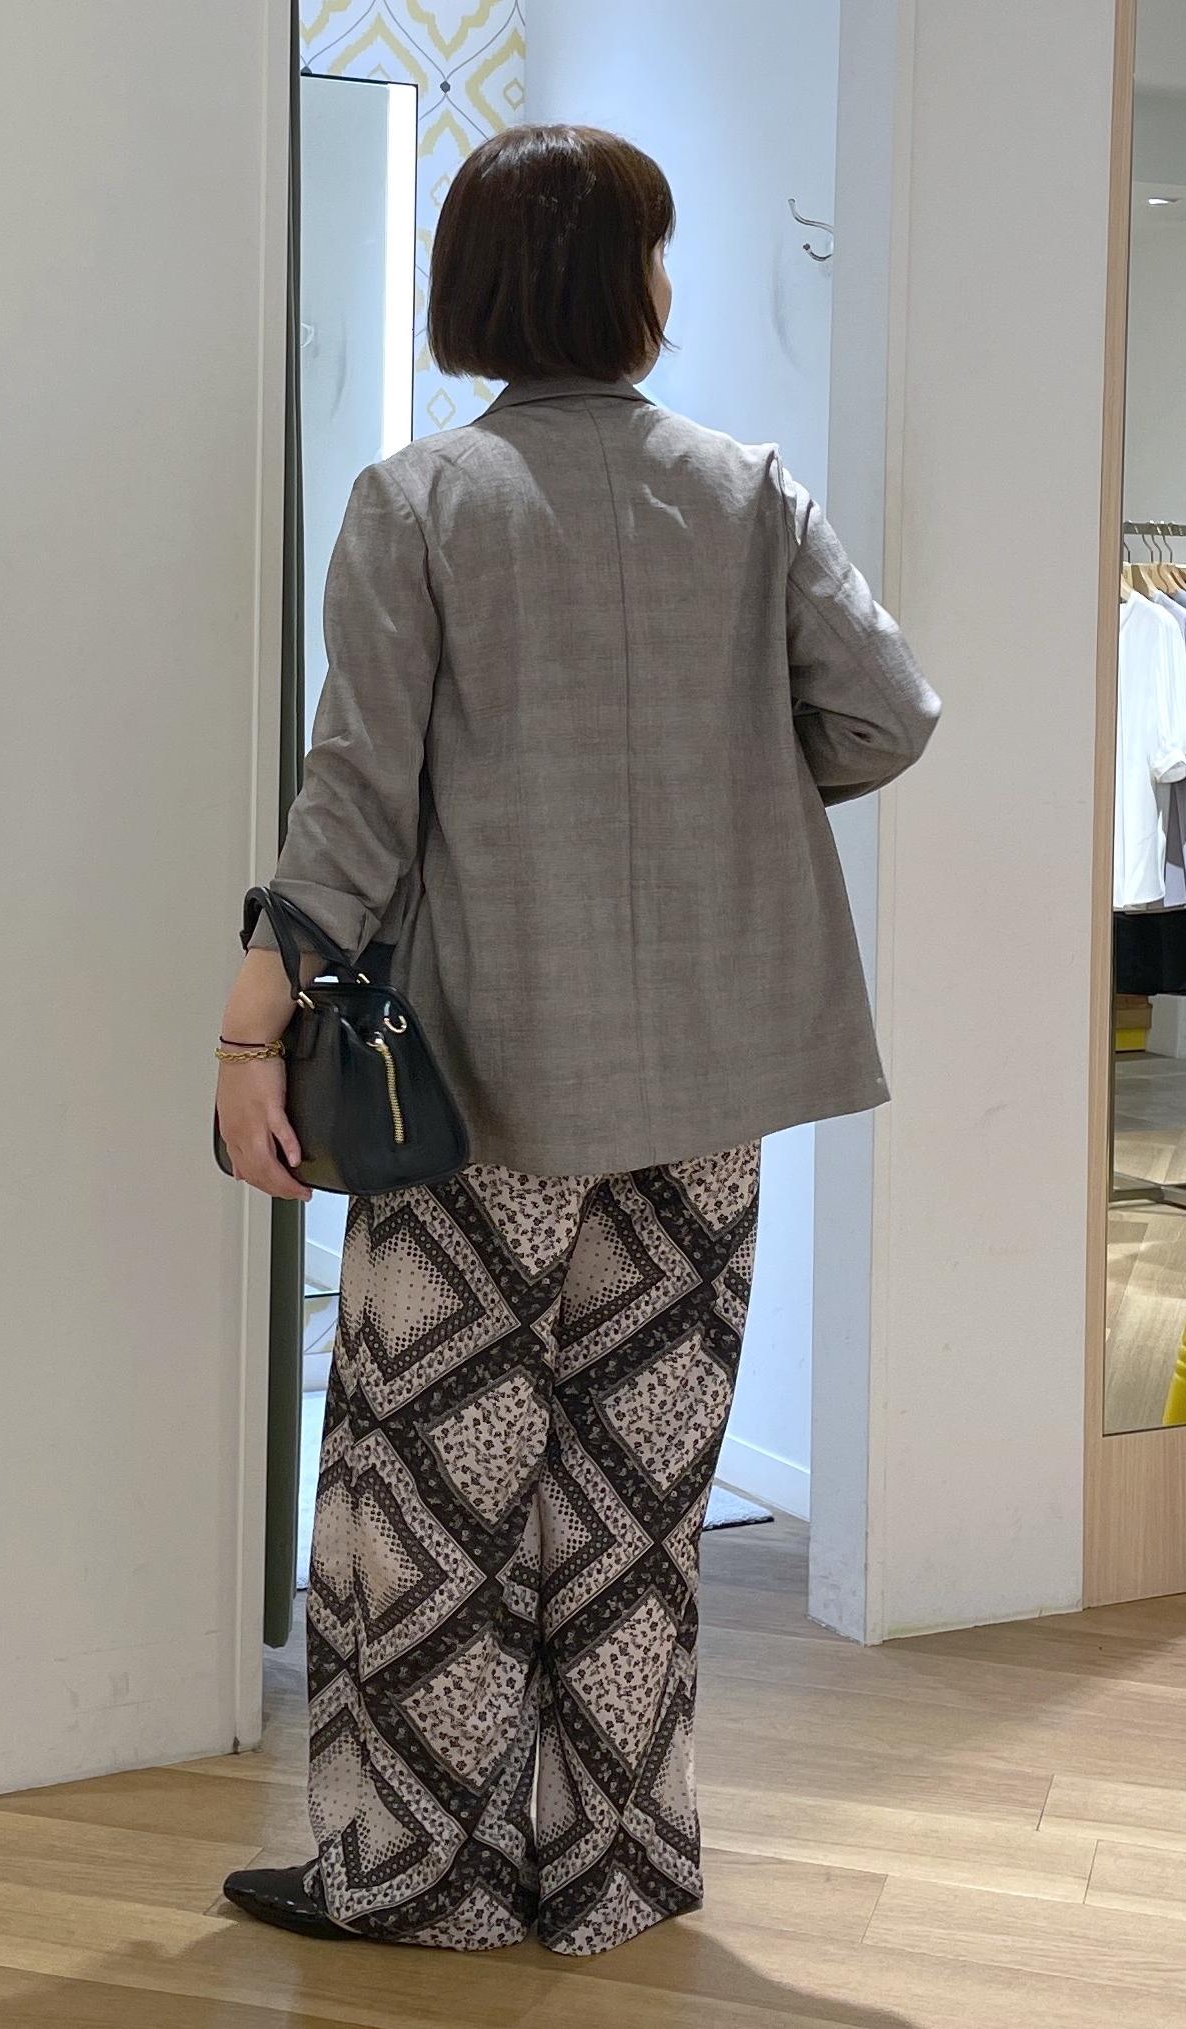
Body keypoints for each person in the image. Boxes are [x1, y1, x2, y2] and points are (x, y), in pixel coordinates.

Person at [218, 124, 938, 1957]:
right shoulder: (748, 492)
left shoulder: (419, 501)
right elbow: (886, 714)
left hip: (480, 1089)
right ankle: (611, 1864)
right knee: (633, 1496)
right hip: (708, 1081)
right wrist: (722, 786)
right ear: (622, 285)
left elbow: (354, 802)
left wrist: (244, 1037)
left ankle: (422, 1876)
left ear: (476, 284)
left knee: (431, 1493)